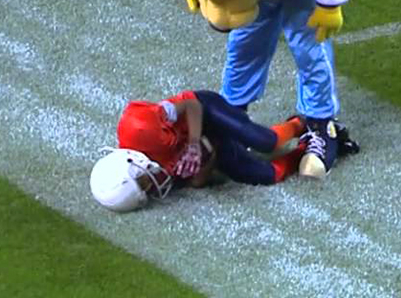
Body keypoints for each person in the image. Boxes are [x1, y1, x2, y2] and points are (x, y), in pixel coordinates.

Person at [156, 0, 351, 179]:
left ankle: (322, 125)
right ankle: (231, 118)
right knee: (244, 47)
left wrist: (329, 4)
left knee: (308, 47)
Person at [89, 89, 332, 212]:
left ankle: (302, 123)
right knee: (267, 175)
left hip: (203, 111)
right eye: (145, 191)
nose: (150, 187)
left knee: (265, 141)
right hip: (208, 142)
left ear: (130, 163)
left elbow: (191, 105)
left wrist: (194, 144)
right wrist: (208, 154)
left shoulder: (139, 128)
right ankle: (307, 146)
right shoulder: (156, 176)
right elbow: (199, 180)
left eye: (142, 184)